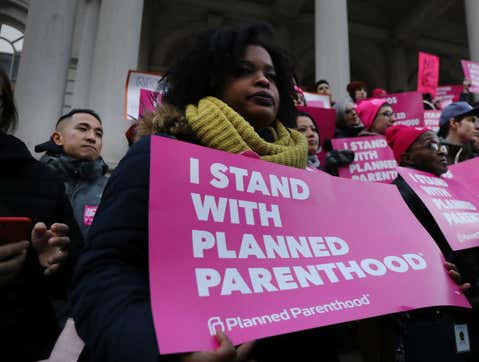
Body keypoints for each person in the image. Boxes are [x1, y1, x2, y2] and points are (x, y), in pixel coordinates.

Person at [70, 24, 334, 362]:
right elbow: (105, 273)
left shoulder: (303, 177)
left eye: (271, 75)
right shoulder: (158, 155)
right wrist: (166, 352)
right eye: (243, 71)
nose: (263, 80)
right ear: (209, 80)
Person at [387, 125, 479, 362]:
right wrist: (477, 257)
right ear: (407, 157)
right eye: (431, 145)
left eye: (442, 145)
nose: (442, 151)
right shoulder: (401, 194)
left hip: (474, 308)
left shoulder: (449, 187)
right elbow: (416, 255)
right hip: (440, 315)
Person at [0, 67, 80, 361]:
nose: (91, 138)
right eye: (82, 129)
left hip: (24, 341)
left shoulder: (41, 181)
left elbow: (79, 274)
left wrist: (55, 261)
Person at [35, 109, 109, 238]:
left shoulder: (111, 187)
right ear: (58, 138)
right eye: (82, 129)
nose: (92, 138)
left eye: (98, 134)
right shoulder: (34, 179)